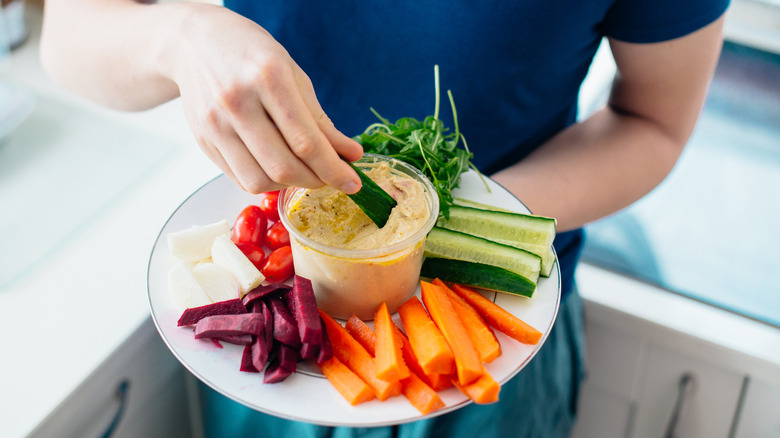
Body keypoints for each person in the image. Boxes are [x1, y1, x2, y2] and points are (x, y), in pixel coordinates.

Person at [39, 0, 730, 436]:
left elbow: (654, 123)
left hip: (484, 346)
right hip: (281, 349)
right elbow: (68, 35)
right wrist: (179, 36)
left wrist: (450, 225)